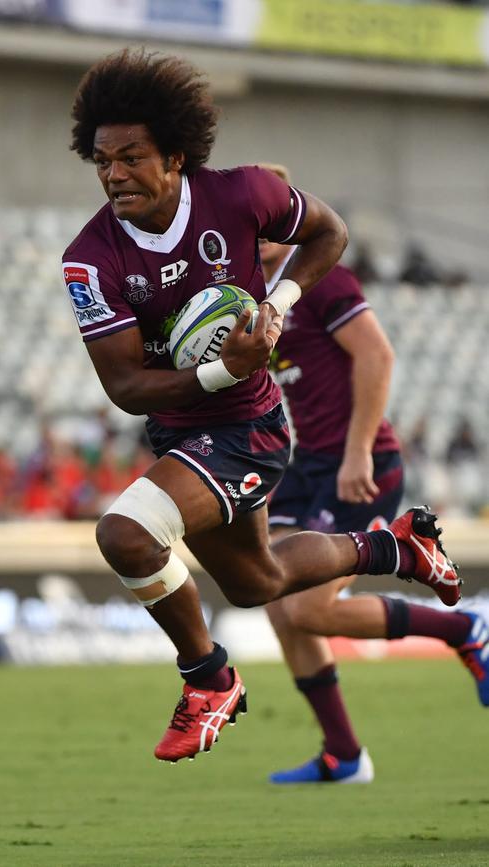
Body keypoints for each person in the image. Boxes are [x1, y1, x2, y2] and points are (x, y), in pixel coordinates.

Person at [62, 49, 461, 764]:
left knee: (125, 534)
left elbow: (329, 233)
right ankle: (400, 547)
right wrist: (222, 368)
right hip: (185, 427)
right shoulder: (89, 260)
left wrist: (277, 305)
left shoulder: (244, 193)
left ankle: (208, 681)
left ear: (175, 156)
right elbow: (124, 388)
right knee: (257, 582)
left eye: (131, 157)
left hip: (251, 426)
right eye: (101, 159)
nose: (114, 173)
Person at [259, 164, 489, 784]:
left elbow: (377, 354)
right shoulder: (254, 297)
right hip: (309, 464)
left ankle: (464, 625)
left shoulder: (322, 278)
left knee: (305, 609)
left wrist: (359, 450)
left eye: (274, 214)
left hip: (359, 463)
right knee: (277, 604)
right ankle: (344, 755)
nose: (259, 227)